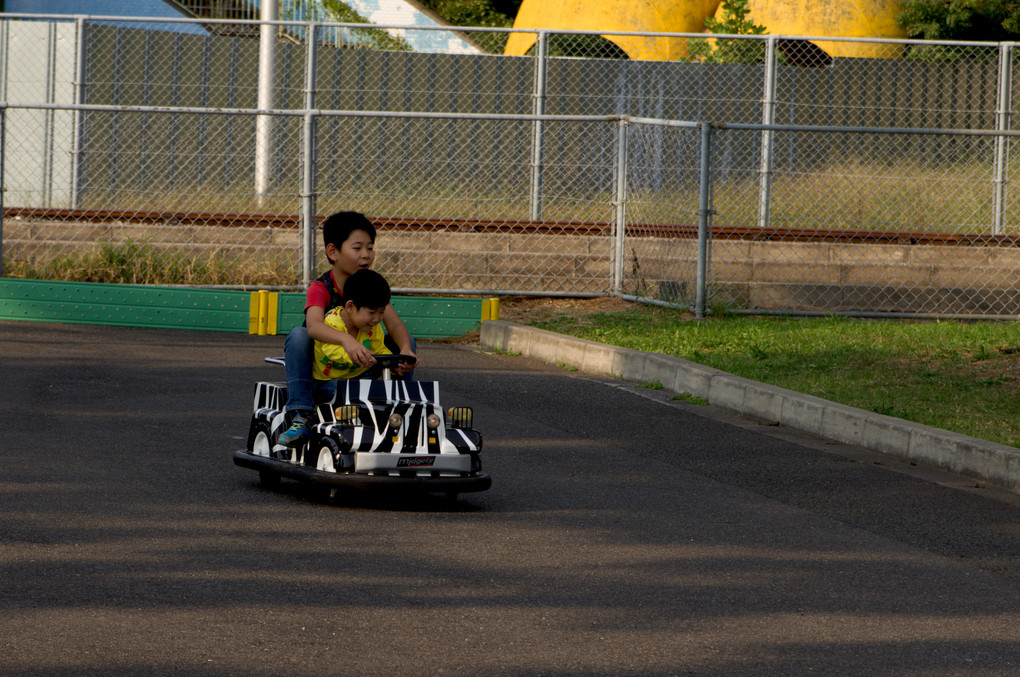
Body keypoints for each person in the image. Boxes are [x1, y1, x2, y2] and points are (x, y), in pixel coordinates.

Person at [279, 211, 416, 447]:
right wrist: (346, 340)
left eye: (370, 248)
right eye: (357, 248)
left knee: (408, 341)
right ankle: (301, 413)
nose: (366, 255)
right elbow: (313, 326)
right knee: (298, 335)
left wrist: (406, 350)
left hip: (361, 373)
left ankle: (400, 408)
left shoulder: (370, 285)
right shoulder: (322, 287)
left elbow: (393, 323)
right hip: (325, 378)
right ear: (333, 252)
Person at [312, 268, 397, 380]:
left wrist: (392, 363)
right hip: (329, 380)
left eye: (381, 312)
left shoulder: (372, 326)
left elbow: (379, 349)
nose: (377, 319)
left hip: (360, 375)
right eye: (371, 312)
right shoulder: (333, 322)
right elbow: (330, 349)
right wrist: (355, 355)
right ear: (350, 307)